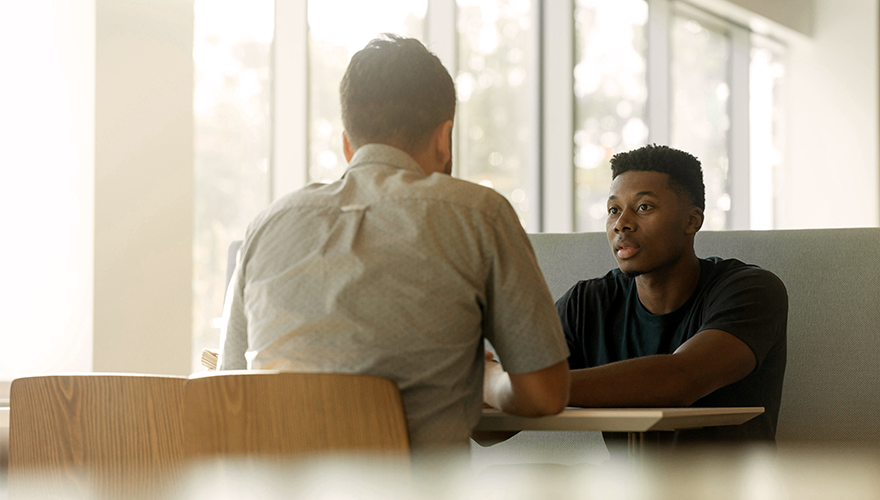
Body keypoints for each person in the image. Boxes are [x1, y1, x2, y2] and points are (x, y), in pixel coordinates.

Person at [218, 34, 570, 451]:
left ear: (348, 144)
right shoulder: (480, 214)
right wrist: (488, 380)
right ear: (445, 138)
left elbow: (228, 390)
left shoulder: (267, 225)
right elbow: (545, 395)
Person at [556, 144, 787, 446]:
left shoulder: (751, 290)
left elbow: (678, 381)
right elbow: (491, 430)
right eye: (613, 210)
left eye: (643, 208)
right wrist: (493, 384)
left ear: (692, 221)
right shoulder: (586, 304)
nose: (621, 224)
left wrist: (528, 387)